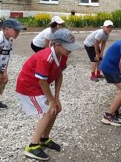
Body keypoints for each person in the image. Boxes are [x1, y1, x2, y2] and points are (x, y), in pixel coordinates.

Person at [16, 28, 80, 161]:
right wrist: (51, 100)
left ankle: (44, 138)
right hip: (29, 86)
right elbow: (42, 81)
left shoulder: (63, 56)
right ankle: (32, 146)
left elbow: (59, 74)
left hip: (40, 84)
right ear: (57, 44)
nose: (71, 50)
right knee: (50, 110)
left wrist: (56, 97)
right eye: (68, 47)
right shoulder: (45, 57)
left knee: (56, 108)